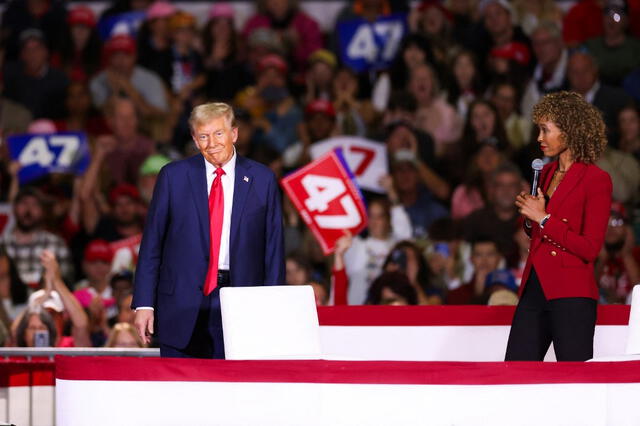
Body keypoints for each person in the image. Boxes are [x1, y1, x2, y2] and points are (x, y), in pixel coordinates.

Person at [133, 102, 285, 358]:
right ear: (194, 139)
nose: (212, 143)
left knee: (235, 389)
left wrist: (271, 307)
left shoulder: (262, 179)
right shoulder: (173, 176)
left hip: (242, 301)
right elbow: (152, 245)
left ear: (233, 134)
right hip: (181, 302)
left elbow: (273, 250)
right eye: (203, 136)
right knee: (182, 390)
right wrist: (144, 304)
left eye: (218, 134)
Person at [506, 91, 612, 361]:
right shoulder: (547, 172)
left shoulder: (596, 179)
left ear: (570, 130)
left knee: (574, 379)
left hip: (571, 291)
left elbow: (590, 248)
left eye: (545, 130)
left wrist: (543, 218)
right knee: (516, 374)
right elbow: (538, 231)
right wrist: (531, 219)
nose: (539, 138)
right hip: (534, 286)